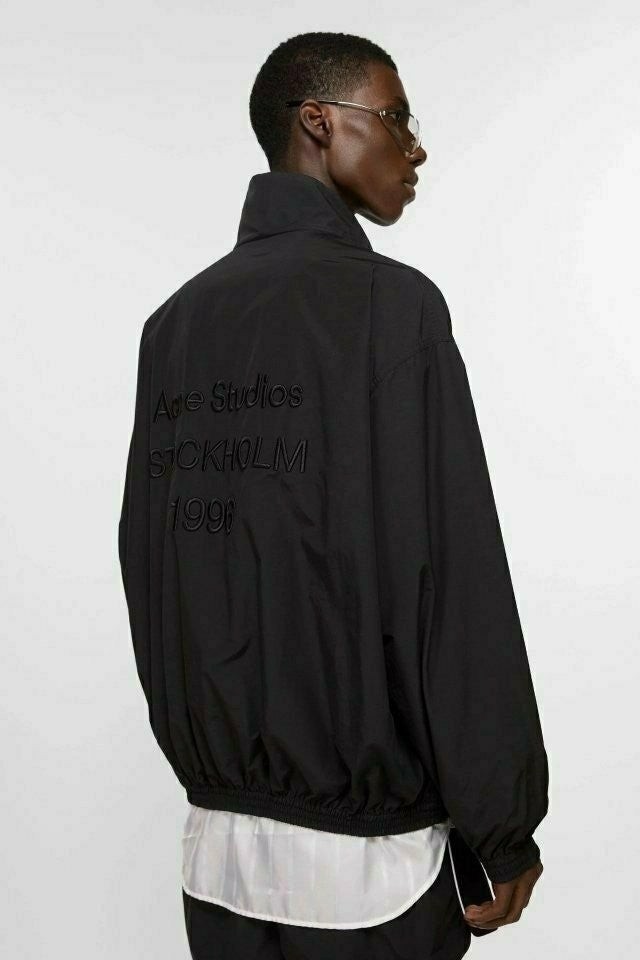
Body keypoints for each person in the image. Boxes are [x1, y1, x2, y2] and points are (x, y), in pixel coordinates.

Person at [118, 30, 549, 960]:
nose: (415, 147)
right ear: (318, 121)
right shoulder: (395, 310)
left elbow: (148, 573)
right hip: (372, 873)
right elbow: (451, 580)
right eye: (396, 118)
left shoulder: (175, 326)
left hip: (219, 862)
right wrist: (503, 820)